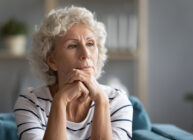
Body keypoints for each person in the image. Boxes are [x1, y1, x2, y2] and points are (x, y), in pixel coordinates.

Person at [14, 6, 133, 140]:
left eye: (90, 44)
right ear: (52, 60)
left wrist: (101, 101)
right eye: (72, 46)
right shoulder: (31, 102)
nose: (86, 54)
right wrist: (60, 101)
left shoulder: (116, 101)